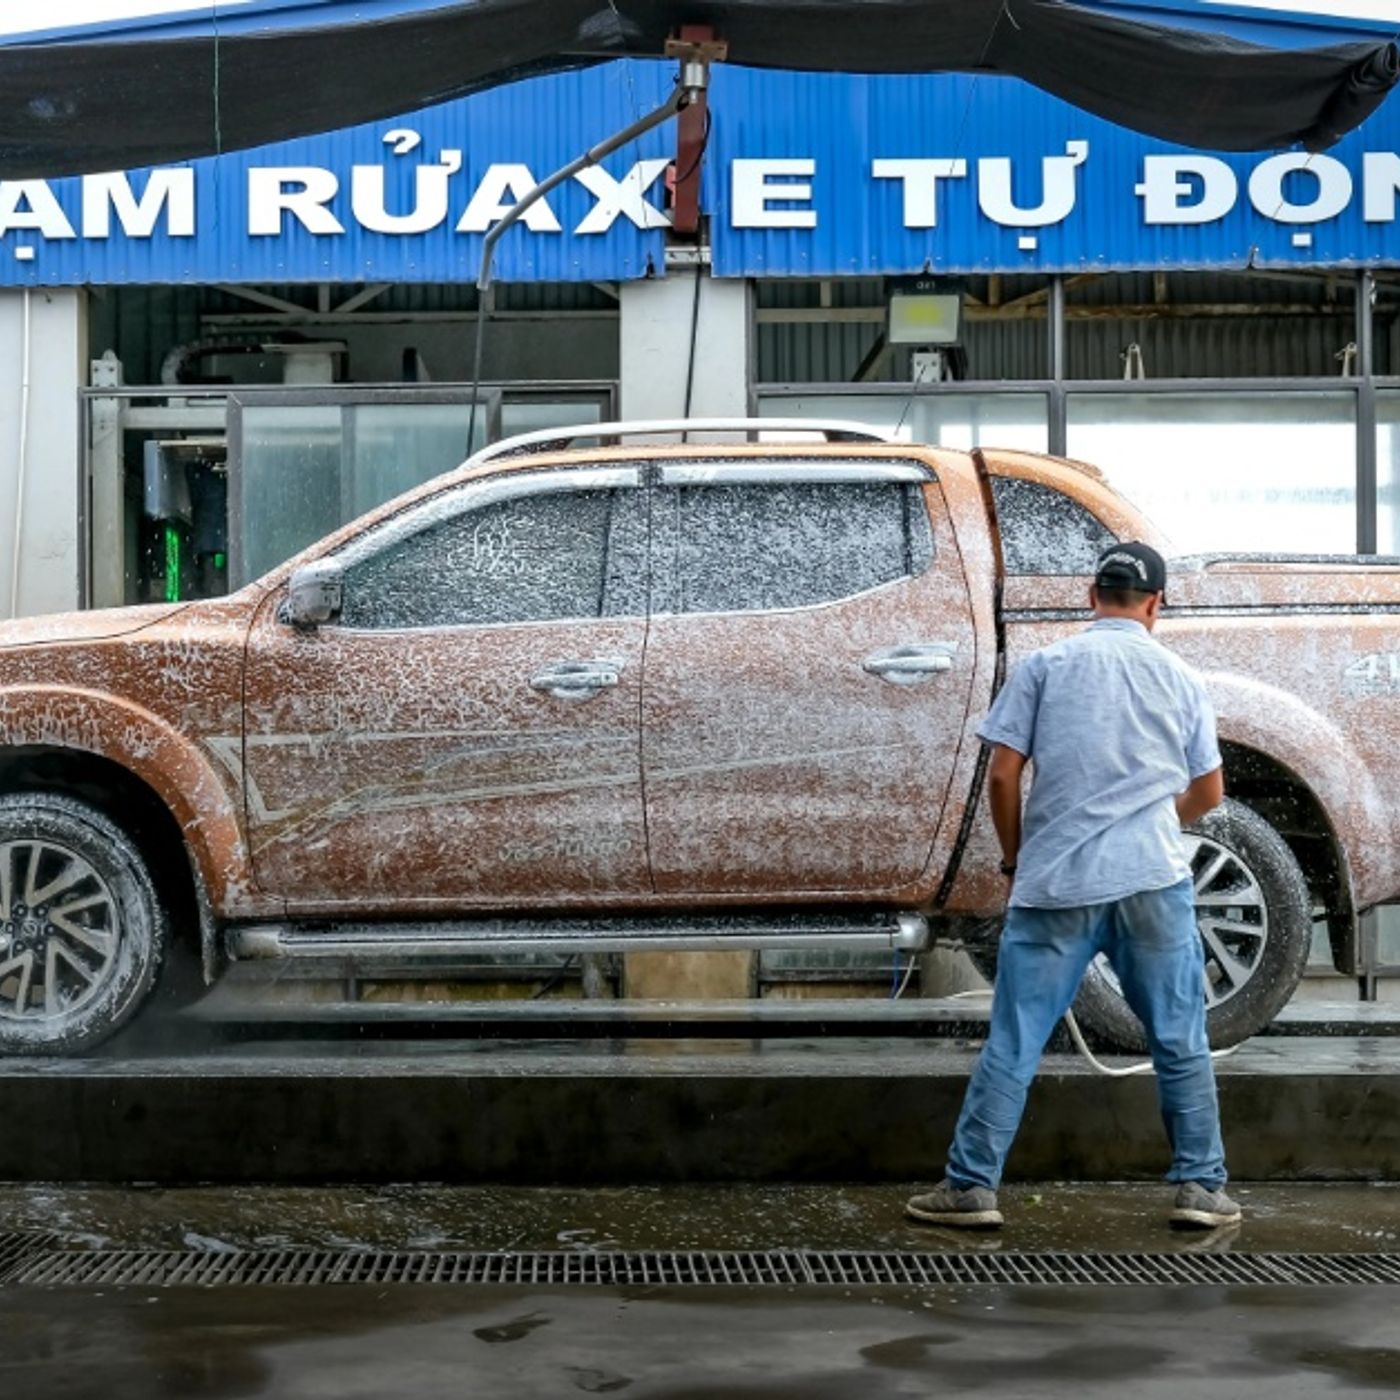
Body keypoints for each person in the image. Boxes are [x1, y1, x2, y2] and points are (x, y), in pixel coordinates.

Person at [906, 541, 1239, 1231]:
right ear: (1154, 605)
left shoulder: (1045, 667)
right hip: (1152, 880)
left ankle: (971, 1188)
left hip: (1055, 885)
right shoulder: (1180, 676)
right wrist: (1155, 820)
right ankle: (1202, 1190)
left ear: (1092, 596)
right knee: (1178, 1037)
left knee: (1016, 1040)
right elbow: (1209, 790)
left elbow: (1002, 775)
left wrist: (1014, 858)